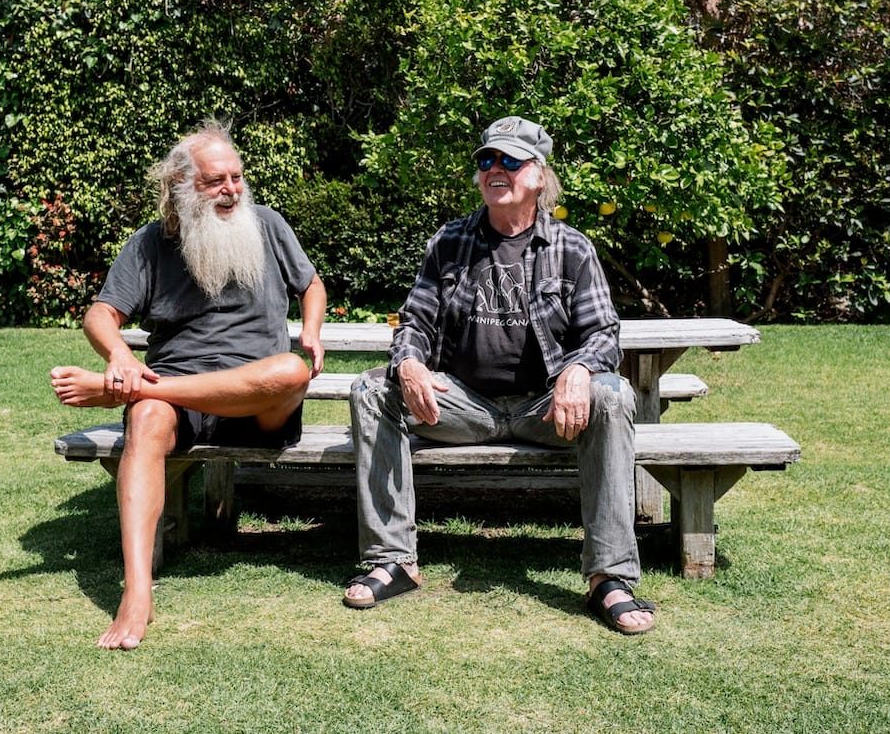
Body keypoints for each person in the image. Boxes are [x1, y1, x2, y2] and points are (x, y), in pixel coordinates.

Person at [344, 116, 656, 635]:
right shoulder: (450, 241)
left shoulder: (571, 247)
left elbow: (604, 334)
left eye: (511, 161)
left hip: (545, 408)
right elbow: (415, 320)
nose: (495, 169)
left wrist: (578, 368)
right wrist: (411, 363)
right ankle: (394, 561)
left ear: (538, 176)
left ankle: (609, 577)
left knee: (613, 395)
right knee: (372, 389)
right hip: (463, 404)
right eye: (487, 160)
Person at [50, 119, 326, 650]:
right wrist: (118, 353)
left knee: (291, 369)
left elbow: (310, 284)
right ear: (181, 187)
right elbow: (100, 314)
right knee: (148, 419)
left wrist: (311, 329)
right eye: (215, 181)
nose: (231, 190)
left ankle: (131, 393)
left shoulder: (267, 225)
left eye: (237, 178)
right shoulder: (150, 244)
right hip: (179, 392)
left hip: (258, 399)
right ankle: (136, 592)